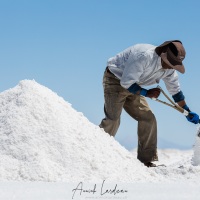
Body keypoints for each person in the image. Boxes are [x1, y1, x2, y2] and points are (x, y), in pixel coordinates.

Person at [99, 40, 199, 167]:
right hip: (115, 80)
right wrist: (147, 93)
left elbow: (175, 90)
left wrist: (186, 110)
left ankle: (145, 161)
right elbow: (126, 83)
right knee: (113, 119)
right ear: (163, 54)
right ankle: (96, 152)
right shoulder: (143, 56)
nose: (172, 67)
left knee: (148, 119)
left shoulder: (169, 68)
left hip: (135, 85)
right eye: (171, 63)